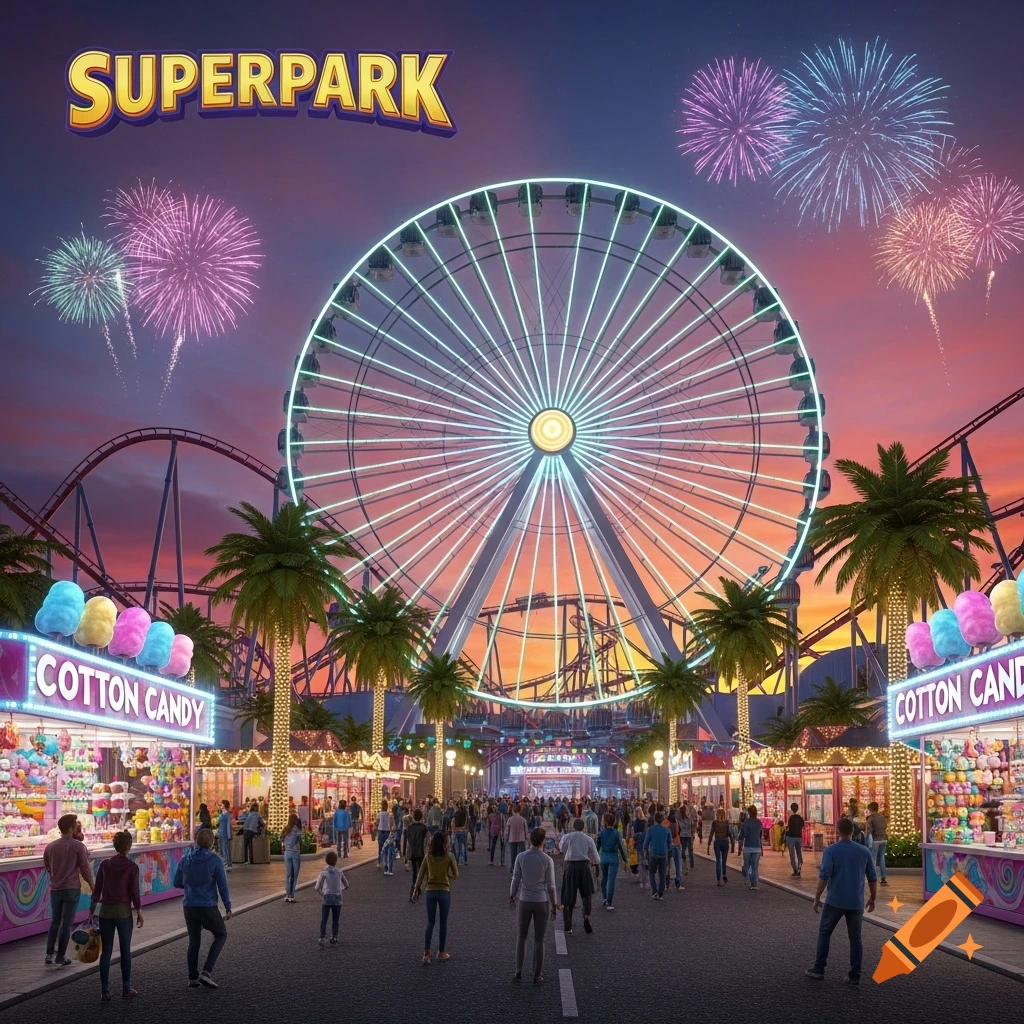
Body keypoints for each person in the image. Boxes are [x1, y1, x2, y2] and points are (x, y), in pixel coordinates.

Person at [806, 816, 878, 984]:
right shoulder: (864, 852)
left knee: (825, 933)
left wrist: (817, 898)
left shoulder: (831, 851)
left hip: (835, 900)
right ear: (853, 831)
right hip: (856, 902)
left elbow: (824, 877)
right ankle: (855, 974)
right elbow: (873, 878)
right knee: (855, 938)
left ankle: (819, 968)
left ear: (838, 831)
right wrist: (872, 898)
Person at [173, 828, 232, 989]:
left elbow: (177, 882)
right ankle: (206, 971)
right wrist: (227, 906)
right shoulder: (215, 860)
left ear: (196, 840)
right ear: (212, 843)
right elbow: (222, 885)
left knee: (194, 941)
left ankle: (192, 977)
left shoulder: (186, 858)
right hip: (207, 905)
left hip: (189, 905)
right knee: (221, 934)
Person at [88, 830, 142, 999]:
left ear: (115, 845)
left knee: (106, 952)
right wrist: (139, 911)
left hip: (105, 912)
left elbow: (97, 891)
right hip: (124, 912)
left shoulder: (105, 864)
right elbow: (134, 892)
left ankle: (105, 991)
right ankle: (126, 988)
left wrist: (92, 911)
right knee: (125, 950)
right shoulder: (132, 867)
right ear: (129, 847)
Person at [43, 812, 95, 966]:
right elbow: (85, 869)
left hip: (56, 889)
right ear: (72, 827)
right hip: (72, 888)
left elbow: (48, 867)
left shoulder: (50, 847)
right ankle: (60, 957)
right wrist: (92, 884)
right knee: (66, 924)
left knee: (55, 922)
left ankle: (49, 955)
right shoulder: (78, 846)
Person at [510, 826, 558, 983]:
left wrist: (512, 894)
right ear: (543, 841)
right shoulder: (547, 860)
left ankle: (518, 970)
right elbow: (551, 886)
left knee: (521, 936)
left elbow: (516, 878)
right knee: (539, 939)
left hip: (524, 899)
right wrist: (554, 904)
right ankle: (538, 974)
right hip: (541, 900)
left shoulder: (521, 857)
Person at [413, 830, 459, 964]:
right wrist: (448, 876)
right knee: (443, 922)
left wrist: (416, 890)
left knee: (430, 922)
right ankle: (442, 951)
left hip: (430, 891)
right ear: (444, 843)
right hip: (444, 890)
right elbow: (456, 875)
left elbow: (420, 875)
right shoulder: (449, 856)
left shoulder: (428, 857)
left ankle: (426, 953)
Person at [558, 818, 600, 935]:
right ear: (583, 827)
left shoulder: (568, 837)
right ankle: (586, 916)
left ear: (573, 826)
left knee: (568, 897)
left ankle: (568, 926)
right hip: (584, 867)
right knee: (586, 896)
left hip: (571, 867)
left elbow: (562, 848)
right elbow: (595, 857)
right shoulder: (588, 839)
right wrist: (597, 867)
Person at [314, 850, 348, 946]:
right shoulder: (339, 872)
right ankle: (334, 937)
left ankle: (322, 937)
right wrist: (340, 890)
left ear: (326, 861)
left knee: (324, 918)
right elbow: (346, 884)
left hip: (327, 897)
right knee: (335, 919)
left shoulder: (324, 872)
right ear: (336, 861)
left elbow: (317, 887)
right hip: (337, 897)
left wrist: (322, 893)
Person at [597, 812, 629, 910]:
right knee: (611, 880)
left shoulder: (601, 833)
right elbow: (620, 847)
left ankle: (604, 897)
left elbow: (597, 847)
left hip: (604, 857)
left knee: (604, 878)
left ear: (605, 822)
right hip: (613, 857)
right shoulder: (616, 833)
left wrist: (594, 859)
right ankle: (609, 902)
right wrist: (625, 860)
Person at [643, 811, 672, 899]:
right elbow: (670, 844)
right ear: (663, 820)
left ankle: (654, 891)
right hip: (663, 854)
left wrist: (645, 851)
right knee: (662, 874)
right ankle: (660, 892)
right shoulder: (667, 830)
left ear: (655, 819)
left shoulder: (650, 830)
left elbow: (646, 843)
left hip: (654, 853)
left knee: (651, 873)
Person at [405, 808, 428, 902]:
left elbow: (408, 843)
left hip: (413, 852)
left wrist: (406, 855)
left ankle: (415, 887)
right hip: (421, 852)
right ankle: (417, 888)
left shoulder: (409, 828)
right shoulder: (424, 827)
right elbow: (426, 841)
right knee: (422, 872)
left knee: (415, 871)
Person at [739, 805, 763, 890]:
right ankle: (755, 884)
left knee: (747, 865)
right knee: (755, 866)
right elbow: (760, 835)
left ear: (749, 813)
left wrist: (740, 839)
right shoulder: (759, 822)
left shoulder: (747, 822)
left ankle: (749, 881)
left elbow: (743, 834)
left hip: (748, 846)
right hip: (757, 846)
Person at [865, 802, 888, 885]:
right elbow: (885, 826)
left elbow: (869, 830)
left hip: (875, 839)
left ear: (870, 809)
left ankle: (873, 877)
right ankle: (883, 878)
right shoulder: (882, 817)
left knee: (873, 859)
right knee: (882, 858)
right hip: (884, 838)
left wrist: (866, 838)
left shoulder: (870, 818)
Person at [282, 813, 302, 902]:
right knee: (294, 875)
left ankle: (287, 894)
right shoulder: (297, 830)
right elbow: (300, 841)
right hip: (295, 853)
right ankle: (292, 895)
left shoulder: (285, 829)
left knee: (288, 874)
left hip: (287, 853)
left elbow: (281, 839)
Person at [709, 808, 731, 885]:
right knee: (724, 861)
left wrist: (708, 844)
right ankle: (724, 874)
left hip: (717, 841)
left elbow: (711, 833)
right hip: (725, 841)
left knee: (718, 860)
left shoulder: (714, 823)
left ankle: (718, 880)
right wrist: (732, 842)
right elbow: (729, 833)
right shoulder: (726, 822)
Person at [504, 803, 529, 872]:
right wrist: (527, 838)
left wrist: (505, 838)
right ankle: (520, 868)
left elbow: (506, 830)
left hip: (512, 838)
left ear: (513, 810)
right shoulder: (523, 820)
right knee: (521, 854)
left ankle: (512, 867)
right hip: (521, 838)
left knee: (513, 854)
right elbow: (526, 830)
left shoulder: (510, 819)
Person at [786, 802, 805, 878]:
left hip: (791, 837)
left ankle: (795, 870)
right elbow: (802, 826)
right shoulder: (800, 818)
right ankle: (799, 869)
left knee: (792, 855)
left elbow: (789, 827)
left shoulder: (791, 818)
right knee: (799, 854)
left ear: (791, 809)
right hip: (799, 837)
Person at [216, 800, 234, 872]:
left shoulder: (227, 815)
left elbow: (228, 825)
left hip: (225, 834)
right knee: (222, 849)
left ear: (225, 805)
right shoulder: (222, 814)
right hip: (220, 833)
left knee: (225, 849)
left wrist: (229, 835)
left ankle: (228, 864)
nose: (221, 805)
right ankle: (224, 864)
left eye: (222, 804)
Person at [376, 800, 393, 871]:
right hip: (387, 832)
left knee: (380, 848)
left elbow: (377, 823)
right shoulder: (389, 815)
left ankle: (379, 862)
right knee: (386, 848)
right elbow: (391, 824)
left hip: (380, 831)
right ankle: (386, 863)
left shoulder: (379, 814)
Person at [451, 801, 470, 866]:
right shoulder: (464, 813)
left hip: (457, 831)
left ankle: (458, 861)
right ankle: (465, 860)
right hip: (463, 831)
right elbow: (466, 822)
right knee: (464, 845)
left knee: (458, 846)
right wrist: (464, 828)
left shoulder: (456, 814)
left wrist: (456, 828)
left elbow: (454, 823)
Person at [679, 801, 695, 873]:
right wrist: (693, 834)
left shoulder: (680, 820)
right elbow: (692, 827)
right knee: (690, 849)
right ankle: (691, 864)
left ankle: (685, 862)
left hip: (683, 836)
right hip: (688, 835)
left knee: (683, 849)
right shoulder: (689, 819)